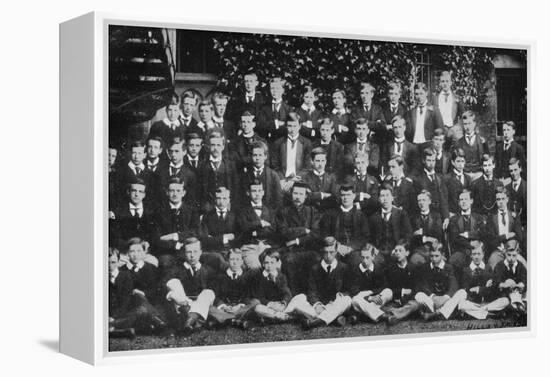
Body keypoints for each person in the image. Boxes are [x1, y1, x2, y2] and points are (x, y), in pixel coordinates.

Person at [285, 236, 351, 329]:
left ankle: (315, 322)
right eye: (325, 252)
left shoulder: (344, 268)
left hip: (335, 304)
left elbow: (349, 290)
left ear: (336, 252)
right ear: (322, 252)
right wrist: (317, 305)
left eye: (331, 252)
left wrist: (339, 297)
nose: (328, 256)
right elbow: (311, 291)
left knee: (347, 300)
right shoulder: (315, 268)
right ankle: (333, 318)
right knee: (299, 298)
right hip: (319, 306)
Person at [162, 237, 216, 335]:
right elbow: (163, 285)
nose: (192, 255)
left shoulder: (208, 271)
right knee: (173, 282)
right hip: (183, 304)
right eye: (189, 252)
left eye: (195, 251)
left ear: (200, 252)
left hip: (201, 304)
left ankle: (189, 320)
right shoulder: (176, 269)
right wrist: (173, 295)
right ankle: (193, 321)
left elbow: (213, 293)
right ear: (184, 253)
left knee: (209, 293)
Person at [276, 181, 321, 293]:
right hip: (290, 250)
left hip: (308, 248)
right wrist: (304, 230)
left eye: (301, 194)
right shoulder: (283, 212)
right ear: (291, 194)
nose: (297, 197)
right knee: (289, 260)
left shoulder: (312, 211)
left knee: (316, 259)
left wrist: (297, 240)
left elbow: (315, 234)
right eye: (295, 193)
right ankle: (294, 295)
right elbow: (283, 232)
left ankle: (312, 295)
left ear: (306, 196)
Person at [119, 238, 166, 333]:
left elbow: (157, 289)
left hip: (150, 302)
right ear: (127, 253)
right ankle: (157, 321)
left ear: (144, 252)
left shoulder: (151, 268)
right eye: (132, 251)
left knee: (141, 303)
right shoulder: (122, 271)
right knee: (137, 297)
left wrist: (143, 293)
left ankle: (153, 321)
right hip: (131, 305)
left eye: (139, 251)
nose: (135, 254)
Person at [152, 177, 200, 268]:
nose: (175, 194)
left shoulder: (191, 210)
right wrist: (175, 245)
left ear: (183, 193)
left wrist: (175, 236)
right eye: (172, 191)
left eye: (178, 191)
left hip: (189, 251)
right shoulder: (159, 212)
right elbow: (157, 239)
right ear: (167, 192)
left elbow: (196, 232)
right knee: (165, 263)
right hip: (168, 252)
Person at [320, 184, 370, 267]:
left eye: (348, 195)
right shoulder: (330, 214)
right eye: (343, 195)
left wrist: (351, 248)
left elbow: (365, 236)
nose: (345, 198)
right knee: (330, 260)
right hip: (334, 249)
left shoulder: (361, 215)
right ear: (340, 196)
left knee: (357, 261)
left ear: (354, 196)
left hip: (354, 250)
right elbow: (324, 233)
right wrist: (337, 246)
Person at [208, 249, 260, 329]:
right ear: (228, 261)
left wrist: (239, 305)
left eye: (237, 259)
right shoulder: (220, 276)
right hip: (225, 307)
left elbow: (249, 295)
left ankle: (227, 319)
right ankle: (236, 320)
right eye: (232, 259)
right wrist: (224, 306)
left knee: (256, 302)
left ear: (242, 261)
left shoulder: (247, 276)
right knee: (209, 307)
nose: (235, 262)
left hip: (241, 307)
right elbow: (216, 296)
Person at [458, 240, 509, 319]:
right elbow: (467, 289)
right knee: (462, 304)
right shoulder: (466, 270)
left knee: (505, 300)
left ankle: (480, 312)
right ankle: (488, 313)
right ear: (471, 255)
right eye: (474, 254)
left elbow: (493, 288)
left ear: (483, 255)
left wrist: (479, 289)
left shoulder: (488, 268)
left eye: (479, 254)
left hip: (488, 302)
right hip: (473, 302)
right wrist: (484, 288)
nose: (476, 257)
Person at [414, 245, 466, 321]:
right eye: (431, 256)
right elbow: (424, 285)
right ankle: (443, 313)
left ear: (442, 255)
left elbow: (454, 285)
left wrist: (445, 297)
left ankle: (436, 314)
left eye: (437, 256)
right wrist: (433, 297)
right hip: (432, 300)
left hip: (447, 299)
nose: (434, 259)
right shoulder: (425, 267)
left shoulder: (449, 267)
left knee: (462, 292)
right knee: (419, 295)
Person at [368, 184, 412, 267]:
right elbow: (369, 238)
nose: (385, 199)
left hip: (396, 250)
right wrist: (374, 249)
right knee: (375, 264)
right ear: (379, 199)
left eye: (387, 195)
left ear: (392, 198)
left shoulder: (401, 214)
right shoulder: (373, 217)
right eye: (382, 196)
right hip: (379, 252)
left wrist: (398, 248)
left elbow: (408, 235)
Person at [349, 244, 393, 323]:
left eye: (367, 257)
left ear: (373, 257)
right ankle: (381, 315)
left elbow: (384, 285)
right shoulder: (354, 270)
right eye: (362, 257)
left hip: (375, 296)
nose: (364, 260)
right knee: (355, 300)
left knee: (388, 291)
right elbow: (354, 291)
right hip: (361, 298)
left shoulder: (378, 268)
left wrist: (373, 294)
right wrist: (369, 298)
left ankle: (364, 314)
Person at [109, 178, 156, 250]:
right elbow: (114, 238)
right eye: (134, 191)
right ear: (128, 192)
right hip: (124, 251)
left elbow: (154, 236)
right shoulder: (118, 212)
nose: (137, 194)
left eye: (140, 192)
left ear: (144, 195)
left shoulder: (151, 212)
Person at [198, 187, 238, 271]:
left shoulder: (234, 216)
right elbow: (204, 240)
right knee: (219, 262)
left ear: (228, 200)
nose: (221, 201)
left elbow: (237, 237)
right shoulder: (206, 217)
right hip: (212, 252)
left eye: (224, 198)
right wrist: (225, 238)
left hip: (229, 251)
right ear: (215, 200)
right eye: (219, 198)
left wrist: (213, 238)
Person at [250, 249, 294, 323]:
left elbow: (286, 292)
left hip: (280, 305)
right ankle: (280, 316)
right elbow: (259, 296)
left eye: (272, 262)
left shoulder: (281, 276)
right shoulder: (259, 277)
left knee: (300, 297)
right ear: (263, 264)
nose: (269, 265)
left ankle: (274, 316)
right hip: (268, 306)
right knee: (258, 308)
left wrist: (283, 303)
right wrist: (270, 304)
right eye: (266, 263)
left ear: (277, 263)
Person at [198, 131, 238, 211]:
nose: (215, 148)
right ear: (209, 146)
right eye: (213, 145)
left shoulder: (230, 165)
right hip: (208, 206)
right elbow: (199, 190)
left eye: (218, 145)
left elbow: (235, 187)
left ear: (223, 146)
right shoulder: (202, 165)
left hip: (226, 206)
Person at [486, 187, 526, 269]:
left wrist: (511, 247)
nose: (500, 202)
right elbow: (490, 239)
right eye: (498, 199)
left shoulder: (514, 216)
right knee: (493, 266)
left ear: (507, 199)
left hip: (513, 251)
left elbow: (519, 236)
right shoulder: (491, 217)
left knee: (525, 267)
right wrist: (506, 236)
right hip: (498, 251)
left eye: (503, 199)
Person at [447, 189, 487, 272]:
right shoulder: (454, 219)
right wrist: (470, 244)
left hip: (477, 251)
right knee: (453, 261)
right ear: (458, 203)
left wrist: (468, 234)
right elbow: (455, 237)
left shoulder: (478, 217)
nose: (463, 202)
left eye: (466, 199)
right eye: (461, 200)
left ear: (471, 201)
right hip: (461, 251)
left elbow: (483, 233)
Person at [385, 241, 422, 325]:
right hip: (395, 300)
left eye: (400, 251)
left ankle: (392, 315)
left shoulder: (414, 268)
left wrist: (404, 298)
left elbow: (417, 288)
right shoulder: (390, 269)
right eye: (396, 250)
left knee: (415, 305)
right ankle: (398, 315)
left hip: (409, 300)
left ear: (407, 253)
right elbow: (388, 288)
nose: (397, 253)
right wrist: (402, 291)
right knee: (384, 305)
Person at [270, 112, 312, 186]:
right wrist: (282, 180)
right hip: (282, 181)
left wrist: (294, 180)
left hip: (299, 181)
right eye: (289, 126)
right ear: (286, 126)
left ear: (300, 126)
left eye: (295, 126)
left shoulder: (306, 143)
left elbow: (307, 167)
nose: (292, 129)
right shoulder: (278, 143)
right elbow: (274, 165)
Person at [241, 141, 283, 209]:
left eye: (260, 155)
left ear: (265, 156)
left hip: (269, 214)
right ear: (251, 156)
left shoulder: (273, 175)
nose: (257, 158)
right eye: (255, 155)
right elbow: (242, 199)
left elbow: (278, 200)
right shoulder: (244, 176)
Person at [236, 180, 278, 248]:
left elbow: (273, 230)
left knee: (271, 259)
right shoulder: (242, 211)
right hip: (249, 246)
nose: (257, 194)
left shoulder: (270, 210)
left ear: (263, 192)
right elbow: (244, 228)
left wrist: (255, 233)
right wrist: (260, 223)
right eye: (254, 191)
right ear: (248, 193)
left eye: (259, 191)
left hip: (267, 246)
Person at [414, 148, 450, 225]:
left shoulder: (440, 178)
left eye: (433, 160)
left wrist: (446, 217)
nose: (431, 163)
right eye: (429, 160)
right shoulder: (418, 179)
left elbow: (444, 200)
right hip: (426, 218)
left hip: (439, 217)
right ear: (424, 161)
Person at [157, 138, 198, 206]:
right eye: (171, 151)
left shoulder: (190, 174)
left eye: (177, 151)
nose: (173, 154)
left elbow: (191, 199)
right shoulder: (160, 172)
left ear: (184, 152)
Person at [409, 190, 443, 267]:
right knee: (415, 261)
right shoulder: (413, 218)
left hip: (434, 249)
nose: (421, 203)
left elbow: (438, 234)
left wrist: (421, 234)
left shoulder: (436, 216)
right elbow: (412, 238)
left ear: (429, 201)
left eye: (424, 200)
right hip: (419, 250)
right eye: (419, 201)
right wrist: (426, 238)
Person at [492, 239, 527, 314]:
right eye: (509, 255)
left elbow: (524, 279)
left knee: (524, 297)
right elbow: (496, 282)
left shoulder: (520, 266)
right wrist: (504, 284)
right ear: (505, 253)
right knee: (505, 301)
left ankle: (518, 307)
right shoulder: (500, 266)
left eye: (514, 255)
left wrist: (521, 284)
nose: (511, 258)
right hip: (504, 294)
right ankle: (514, 308)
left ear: (518, 253)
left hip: (518, 293)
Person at [430, 71, 464, 145]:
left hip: (453, 130)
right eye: (443, 81)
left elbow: (463, 115)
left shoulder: (457, 98)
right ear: (440, 83)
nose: (445, 84)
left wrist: (458, 127)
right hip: (440, 131)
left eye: (447, 81)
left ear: (451, 82)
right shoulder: (435, 98)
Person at [108, 247, 136, 338]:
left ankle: (112, 327)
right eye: (106, 262)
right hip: (106, 314)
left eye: (113, 262)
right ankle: (119, 331)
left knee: (136, 314)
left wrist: (114, 317)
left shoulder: (126, 276)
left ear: (119, 261)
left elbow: (125, 300)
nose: (109, 266)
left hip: (121, 313)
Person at [406, 83, 443, 147]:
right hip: (414, 145)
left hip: (428, 145)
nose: (419, 97)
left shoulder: (434, 110)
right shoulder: (411, 112)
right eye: (416, 94)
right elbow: (408, 132)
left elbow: (440, 129)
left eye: (421, 93)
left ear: (426, 93)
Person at [257, 77, 293, 143]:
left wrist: (269, 124)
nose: (274, 91)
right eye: (272, 88)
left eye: (277, 88)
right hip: (267, 141)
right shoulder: (264, 107)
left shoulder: (289, 109)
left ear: (283, 90)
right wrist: (277, 123)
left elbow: (290, 127)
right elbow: (261, 125)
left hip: (283, 142)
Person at [455, 111, 488, 180]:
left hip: (478, 173)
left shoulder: (482, 141)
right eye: (465, 124)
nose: (467, 126)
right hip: (464, 174)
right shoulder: (459, 142)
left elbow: (487, 158)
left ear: (474, 124)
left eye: (470, 123)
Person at [344, 152, 380, 216]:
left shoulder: (373, 180)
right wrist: (362, 195)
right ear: (355, 164)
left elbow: (374, 200)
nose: (360, 165)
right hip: (352, 213)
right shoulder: (349, 179)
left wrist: (360, 204)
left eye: (363, 162)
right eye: (358, 163)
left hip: (369, 213)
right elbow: (346, 195)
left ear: (367, 163)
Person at [444, 148, 472, 217]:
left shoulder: (468, 178)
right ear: (453, 162)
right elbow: (444, 199)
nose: (460, 164)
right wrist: (447, 214)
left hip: (465, 213)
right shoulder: (447, 178)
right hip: (452, 213)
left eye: (462, 161)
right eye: (458, 161)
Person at [505, 157, 527, 227]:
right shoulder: (506, 188)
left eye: (515, 170)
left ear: (520, 169)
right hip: (510, 225)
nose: (513, 173)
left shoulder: (527, 187)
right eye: (511, 171)